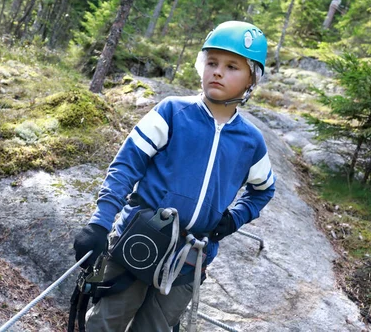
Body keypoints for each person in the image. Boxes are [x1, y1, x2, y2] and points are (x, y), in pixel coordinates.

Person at [73, 20, 276, 332]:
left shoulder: (251, 142)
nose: (218, 72)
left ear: (252, 79)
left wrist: (234, 218)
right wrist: (100, 223)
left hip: (189, 261)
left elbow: (263, 190)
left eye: (232, 66)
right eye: (212, 62)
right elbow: (126, 165)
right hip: (138, 242)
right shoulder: (172, 112)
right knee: (104, 325)